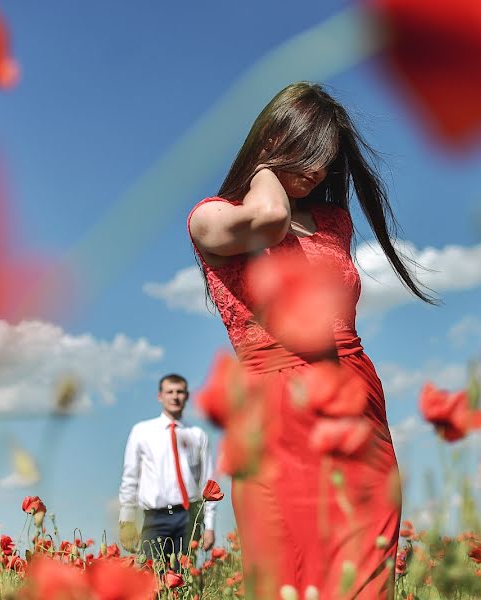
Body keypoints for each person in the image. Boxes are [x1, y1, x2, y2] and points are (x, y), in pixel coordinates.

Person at [187, 82, 435, 599]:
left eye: (328, 160)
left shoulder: (334, 222)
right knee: (289, 574)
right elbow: (270, 221)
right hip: (277, 406)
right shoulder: (212, 218)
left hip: (355, 398)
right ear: (274, 140)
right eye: (308, 154)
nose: (319, 172)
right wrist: (262, 171)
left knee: (365, 572)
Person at [118, 373, 216, 565]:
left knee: (184, 581)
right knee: (153, 579)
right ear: (160, 396)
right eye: (169, 391)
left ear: (187, 396)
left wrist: (209, 525)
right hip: (155, 518)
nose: (175, 396)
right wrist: (127, 521)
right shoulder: (142, 431)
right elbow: (130, 477)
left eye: (180, 392)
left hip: (189, 518)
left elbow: (208, 483)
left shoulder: (197, 435)